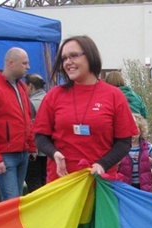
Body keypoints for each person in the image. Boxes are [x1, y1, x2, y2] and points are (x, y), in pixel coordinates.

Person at [33, 35, 138, 182]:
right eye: (64, 58)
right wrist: (53, 153)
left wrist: (103, 164)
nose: (68, 62)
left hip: (100, 181)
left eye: (73, 56)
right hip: (62, 181)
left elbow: (124, 142)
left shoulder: (114, 95)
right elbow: (40, 136)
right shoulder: (54, 95)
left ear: (90, 56)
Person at [0, 47, 36, 200]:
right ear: (11, 63)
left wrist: (31, 145)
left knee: (16, 199)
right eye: (24, 63)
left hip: (22, 152)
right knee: (11, 200)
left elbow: (27, 117)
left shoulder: (22, 87)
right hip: (5, 155)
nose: (28, 67)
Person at [117, 113, 152, 191]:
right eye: (128, 129)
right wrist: (117, 164)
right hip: (125, 186)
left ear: (141, 130)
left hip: (144, 186)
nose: (132, 133)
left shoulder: (148, 147)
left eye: (135, 129)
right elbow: (112, 168)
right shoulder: (119, 148)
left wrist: (150, 160)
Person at [23, 73, 48, 193]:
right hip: (51, 150)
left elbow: (29, 127)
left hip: (36, 150)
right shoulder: (50, 99)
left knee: (34, 182)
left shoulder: (30, 104)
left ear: (31, 86)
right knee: (45, 180)